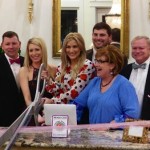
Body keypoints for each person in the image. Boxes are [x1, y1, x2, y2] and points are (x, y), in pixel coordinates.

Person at [74, 45, 140, 124]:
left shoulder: (124, 84)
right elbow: (77, 105)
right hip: (93, 134)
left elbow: (132, 114)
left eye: (100, 61)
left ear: (112, 65)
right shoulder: (94, 82)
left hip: (115, 135)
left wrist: (112, 124)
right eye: (96, 60)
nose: (96, 64)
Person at [44, 32, 95, 105]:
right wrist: (48, 79)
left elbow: (74, 93)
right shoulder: (62, 66)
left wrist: (53, 101)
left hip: (81, 110)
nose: (71, 50)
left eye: (75, 47)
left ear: (81, 48)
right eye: (68, 47)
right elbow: (56, 90)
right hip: (63, 109)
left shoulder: (87, 65)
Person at [19, 37, 56, 124]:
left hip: (51, 113)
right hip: (31, 115)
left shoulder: (54, 69)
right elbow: (27, 100)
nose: (34, 53)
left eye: (37, 49)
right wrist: (36, 115)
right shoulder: (24, 71)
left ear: (43, 50)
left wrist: (48, 80)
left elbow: (57, 92)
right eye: (31, 50)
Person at [121, 36, 150, 120]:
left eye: (141, 48)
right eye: (134, 48)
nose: (137, 51)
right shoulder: (125, 70)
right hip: (126, 124)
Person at [0, 31, 25, 126]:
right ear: (2, 46)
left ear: (19, 44)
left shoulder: (27, 62)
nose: (11, 47)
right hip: (3, 117)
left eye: (14, 43)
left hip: (25, 116)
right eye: (7, 44)